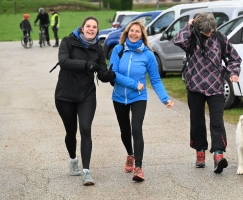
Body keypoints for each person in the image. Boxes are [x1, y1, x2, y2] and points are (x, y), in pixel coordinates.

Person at [173, 13, 241, 173]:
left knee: (217, 122)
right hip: (195, 86)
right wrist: (189, 25)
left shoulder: (220, 38)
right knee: (197, 121)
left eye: (211, 31)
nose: (209, 34)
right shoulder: (191, 37)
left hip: (216, 87)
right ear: (198, 28)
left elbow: (234, 58)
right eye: (206, 32)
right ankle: (200, 153)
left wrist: (233, 72)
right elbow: (178, 40)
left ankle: (218, 156)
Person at [109, 20, 174, 182]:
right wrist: (133, 84)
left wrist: (165, 98)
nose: (134, 33)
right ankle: (130, 155)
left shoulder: (148, 54)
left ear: (142, 35)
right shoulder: (117, 50)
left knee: (136, 128)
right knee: (125, 130)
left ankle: (138, 167)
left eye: (137, 31)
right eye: (131, 31)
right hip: (119, 97)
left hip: (139, 97)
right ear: (127, 33)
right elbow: (113, 74)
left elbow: (156, 80)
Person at [55, 16, 116, 186]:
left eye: (94, 27)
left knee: (85, 128)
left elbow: (102, 73)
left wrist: (110, 75)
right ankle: (73, 159)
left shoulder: (98, 49)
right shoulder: (68, 41)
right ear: (82, 28)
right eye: (88, 26)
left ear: (97, 30)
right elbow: (64, 62)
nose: (91, 29)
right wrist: (86, 65)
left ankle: (86, 171)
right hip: (65, 94)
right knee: (71, 131)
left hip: (86, 94)